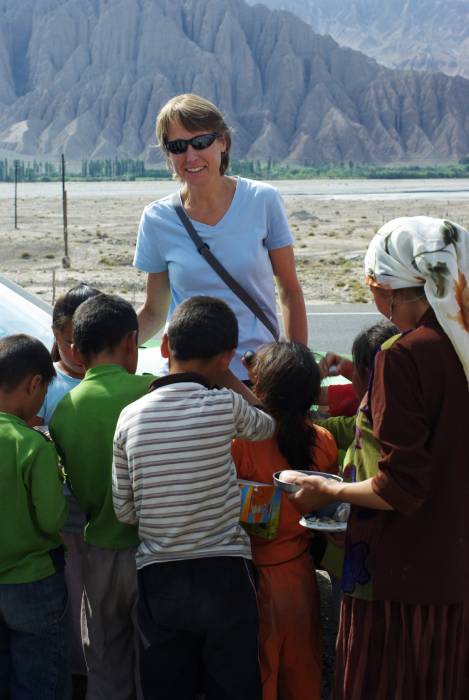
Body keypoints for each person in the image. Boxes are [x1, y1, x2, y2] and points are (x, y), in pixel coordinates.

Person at [286, 217, 469, 699]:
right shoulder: (456, 346)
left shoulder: (402, 355)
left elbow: (399, 485)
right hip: (452, 565)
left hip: (399, 576)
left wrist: (328, 489)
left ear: (388, 290)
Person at [112, 296, 276, 700]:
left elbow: (124, 510)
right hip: (224, 571)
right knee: (233, 682)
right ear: (227, 358)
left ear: (165, 347)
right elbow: (267, 425)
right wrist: (233, 379)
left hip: (159, 575)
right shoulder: (225, 404)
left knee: (167, 684)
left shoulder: (129, 417)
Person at [134, 93, 307, 380]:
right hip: (188, 382)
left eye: (201, 142)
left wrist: (298, 369)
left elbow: (289, 290)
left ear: (223, 142)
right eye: (177, 147)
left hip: (258, 375)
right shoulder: (157, 219)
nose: (191, 156)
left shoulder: (262, 200)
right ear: (168, 154)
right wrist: (99, 357)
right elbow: (154, 311)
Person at [50, 294, 156, 700]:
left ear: (77, 348)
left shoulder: (64, 411)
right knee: (152, 662)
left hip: (99, 552)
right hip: (152, 550)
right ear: (132, 342)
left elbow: (74, 488)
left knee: (104, 665)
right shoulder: (151, 391)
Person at [231, 342, 338, 700]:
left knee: (258, 674)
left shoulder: (240, 443)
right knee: (302, 671)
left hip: (251, 580)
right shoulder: (322, 442)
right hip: (300, 577)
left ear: (259, 387)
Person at [34, 283, 101, 688]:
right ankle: (78, 675)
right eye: (68, 340)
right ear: (56, 335)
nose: (77, 349)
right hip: (63, 521)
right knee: (72, 598)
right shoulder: (44, 385)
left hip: (109, 517)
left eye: (85, 340)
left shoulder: (114, 380)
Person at [0, 334, 68, 698]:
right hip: (33, 583)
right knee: (40, 682)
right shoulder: (31, 445)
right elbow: (51, 520)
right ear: (34, 384)